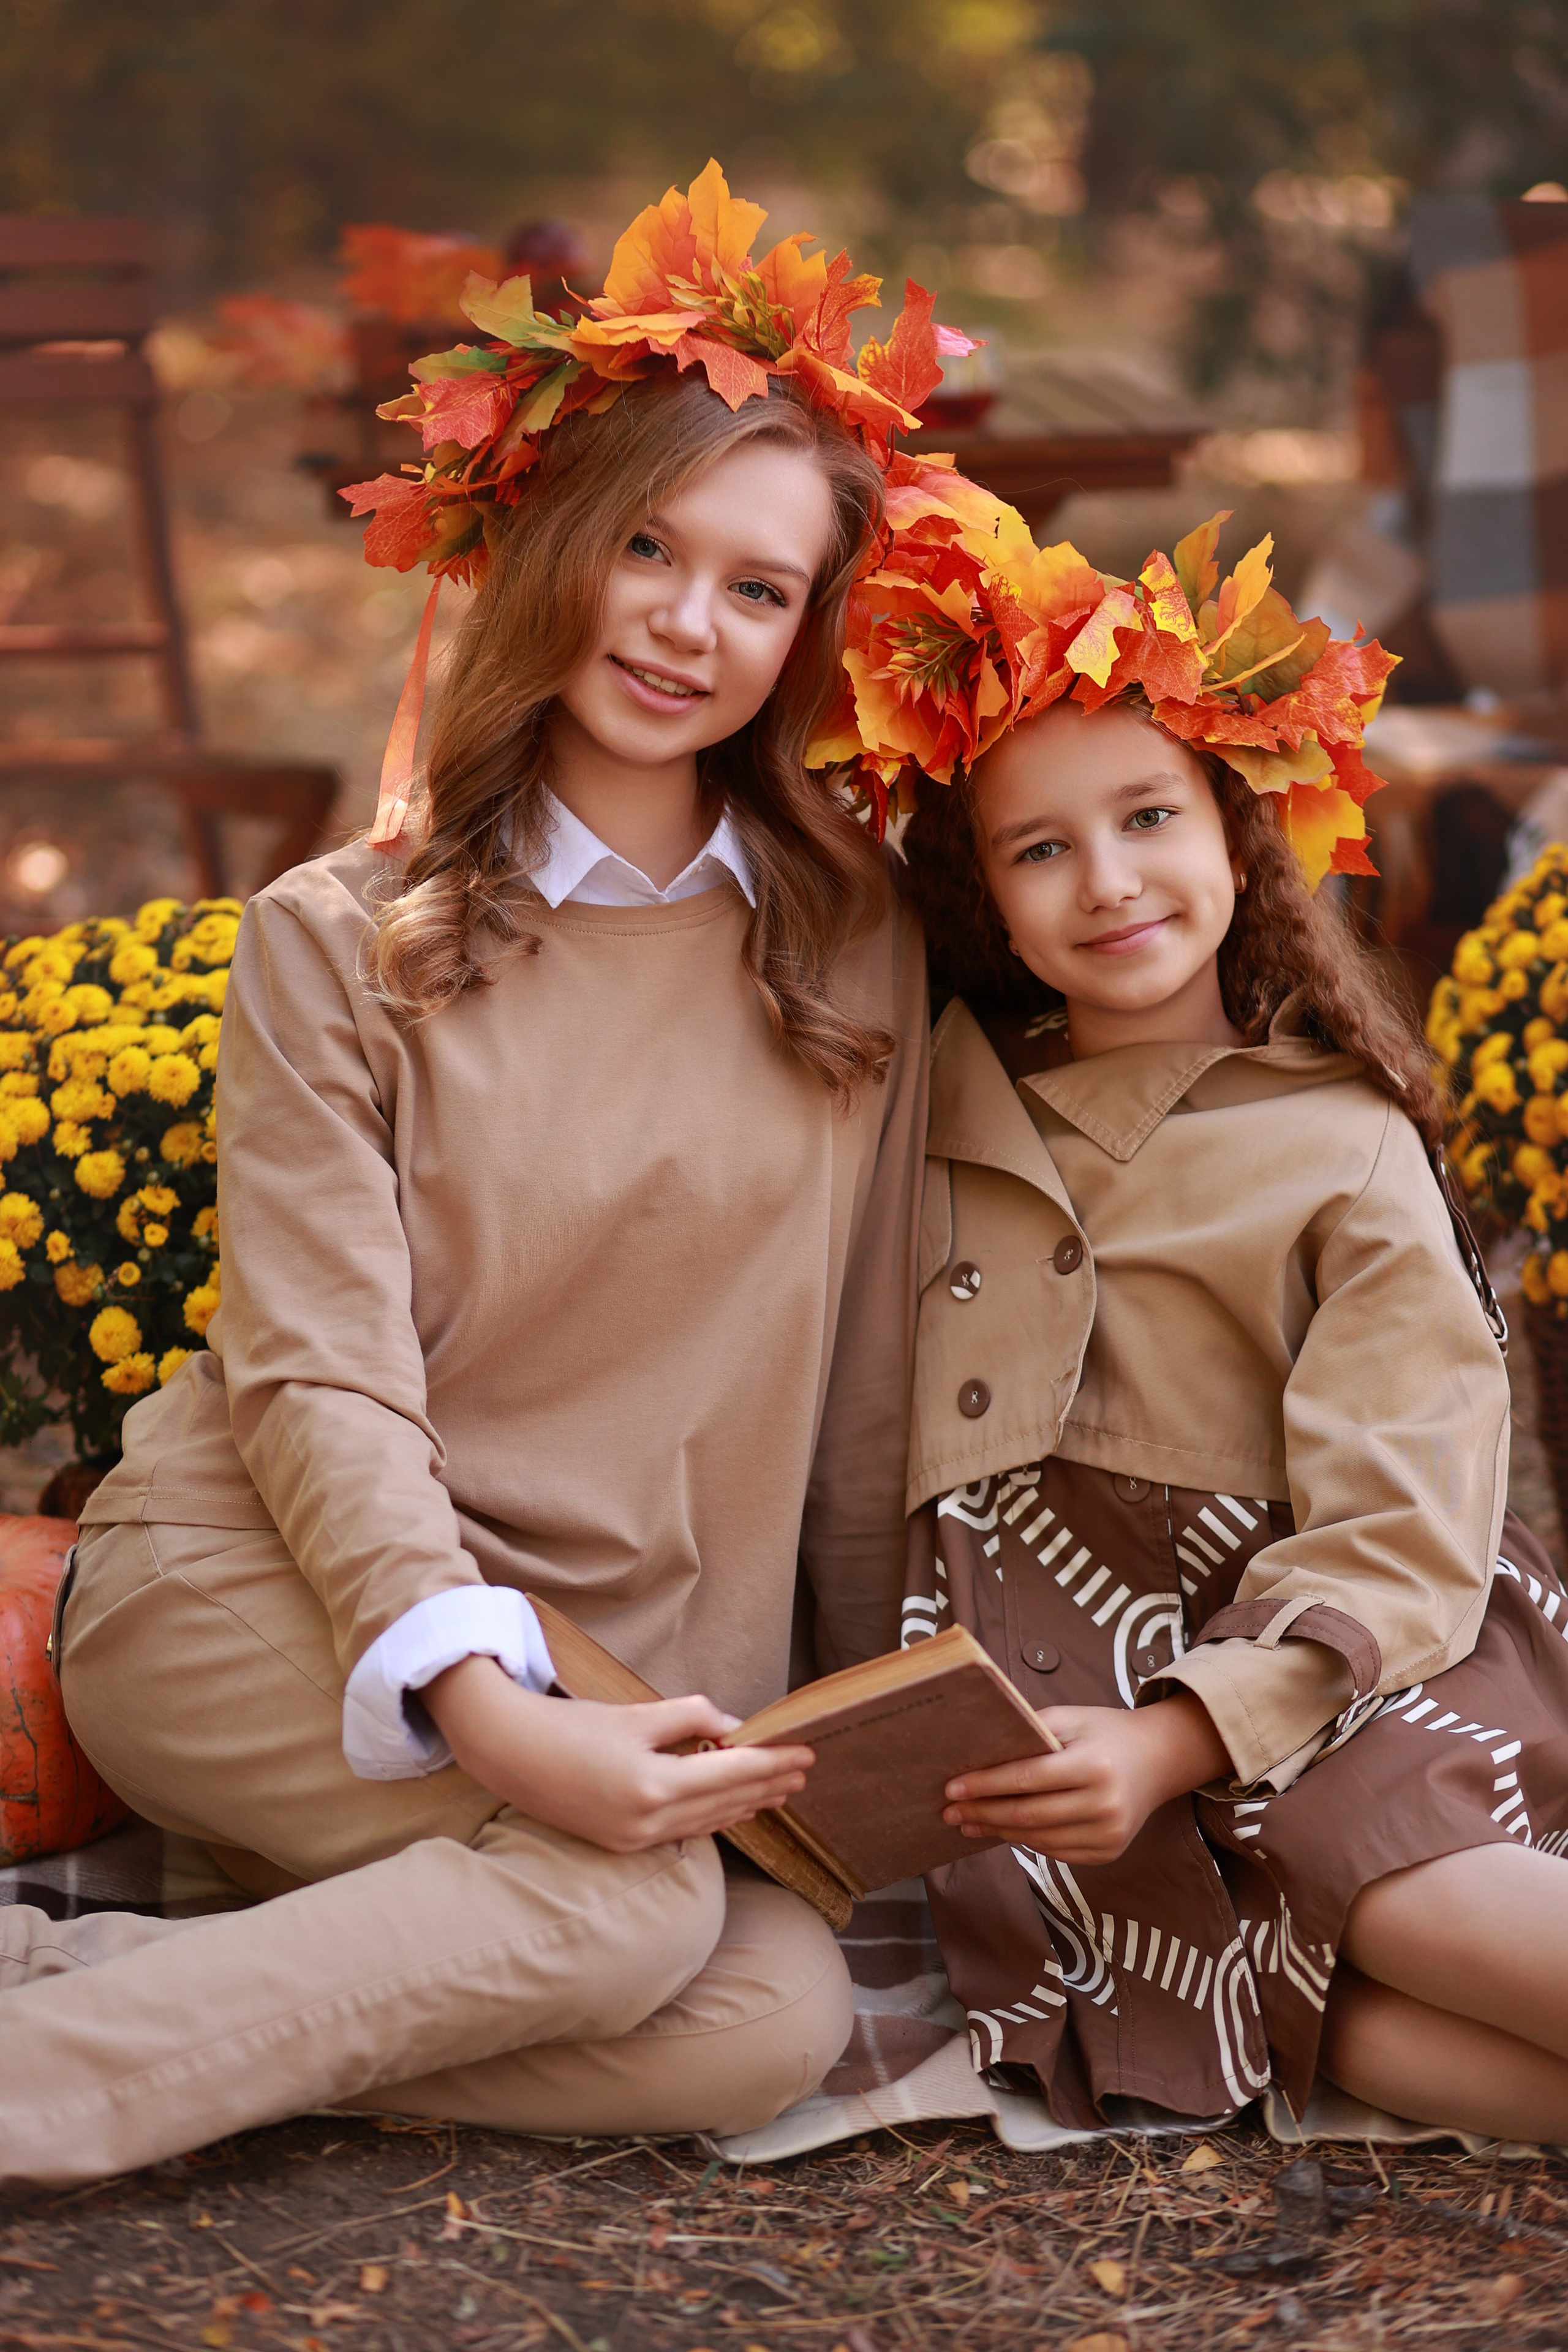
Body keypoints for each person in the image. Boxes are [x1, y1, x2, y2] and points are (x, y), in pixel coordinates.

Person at [0, 163, 965, 2187]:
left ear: (805, 635)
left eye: (760, 589)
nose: (688, 625)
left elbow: (863, 1386)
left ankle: (162, 1984)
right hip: (263, 1589)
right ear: (555, 543)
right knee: (631, 1919)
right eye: (649, 547)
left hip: (625, 1672)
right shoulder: (338, 940)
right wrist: (486, 1706)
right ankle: (41, 2089)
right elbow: (320, 1381)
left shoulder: (851, 939)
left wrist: (858, 1735)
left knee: (767, 2015)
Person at [842, 481, 1568, 2143]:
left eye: (1148, 817)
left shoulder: (1340, 1143)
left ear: (1238, 833)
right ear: (980, 895)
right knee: (1329, 2026)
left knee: (1397, 1903)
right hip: (1066, 1723)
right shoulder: (931, 1108)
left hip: (1342, 1671)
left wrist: (1179, 1741)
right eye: (1040, 848)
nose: (1106, 881)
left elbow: (1404, 1524)